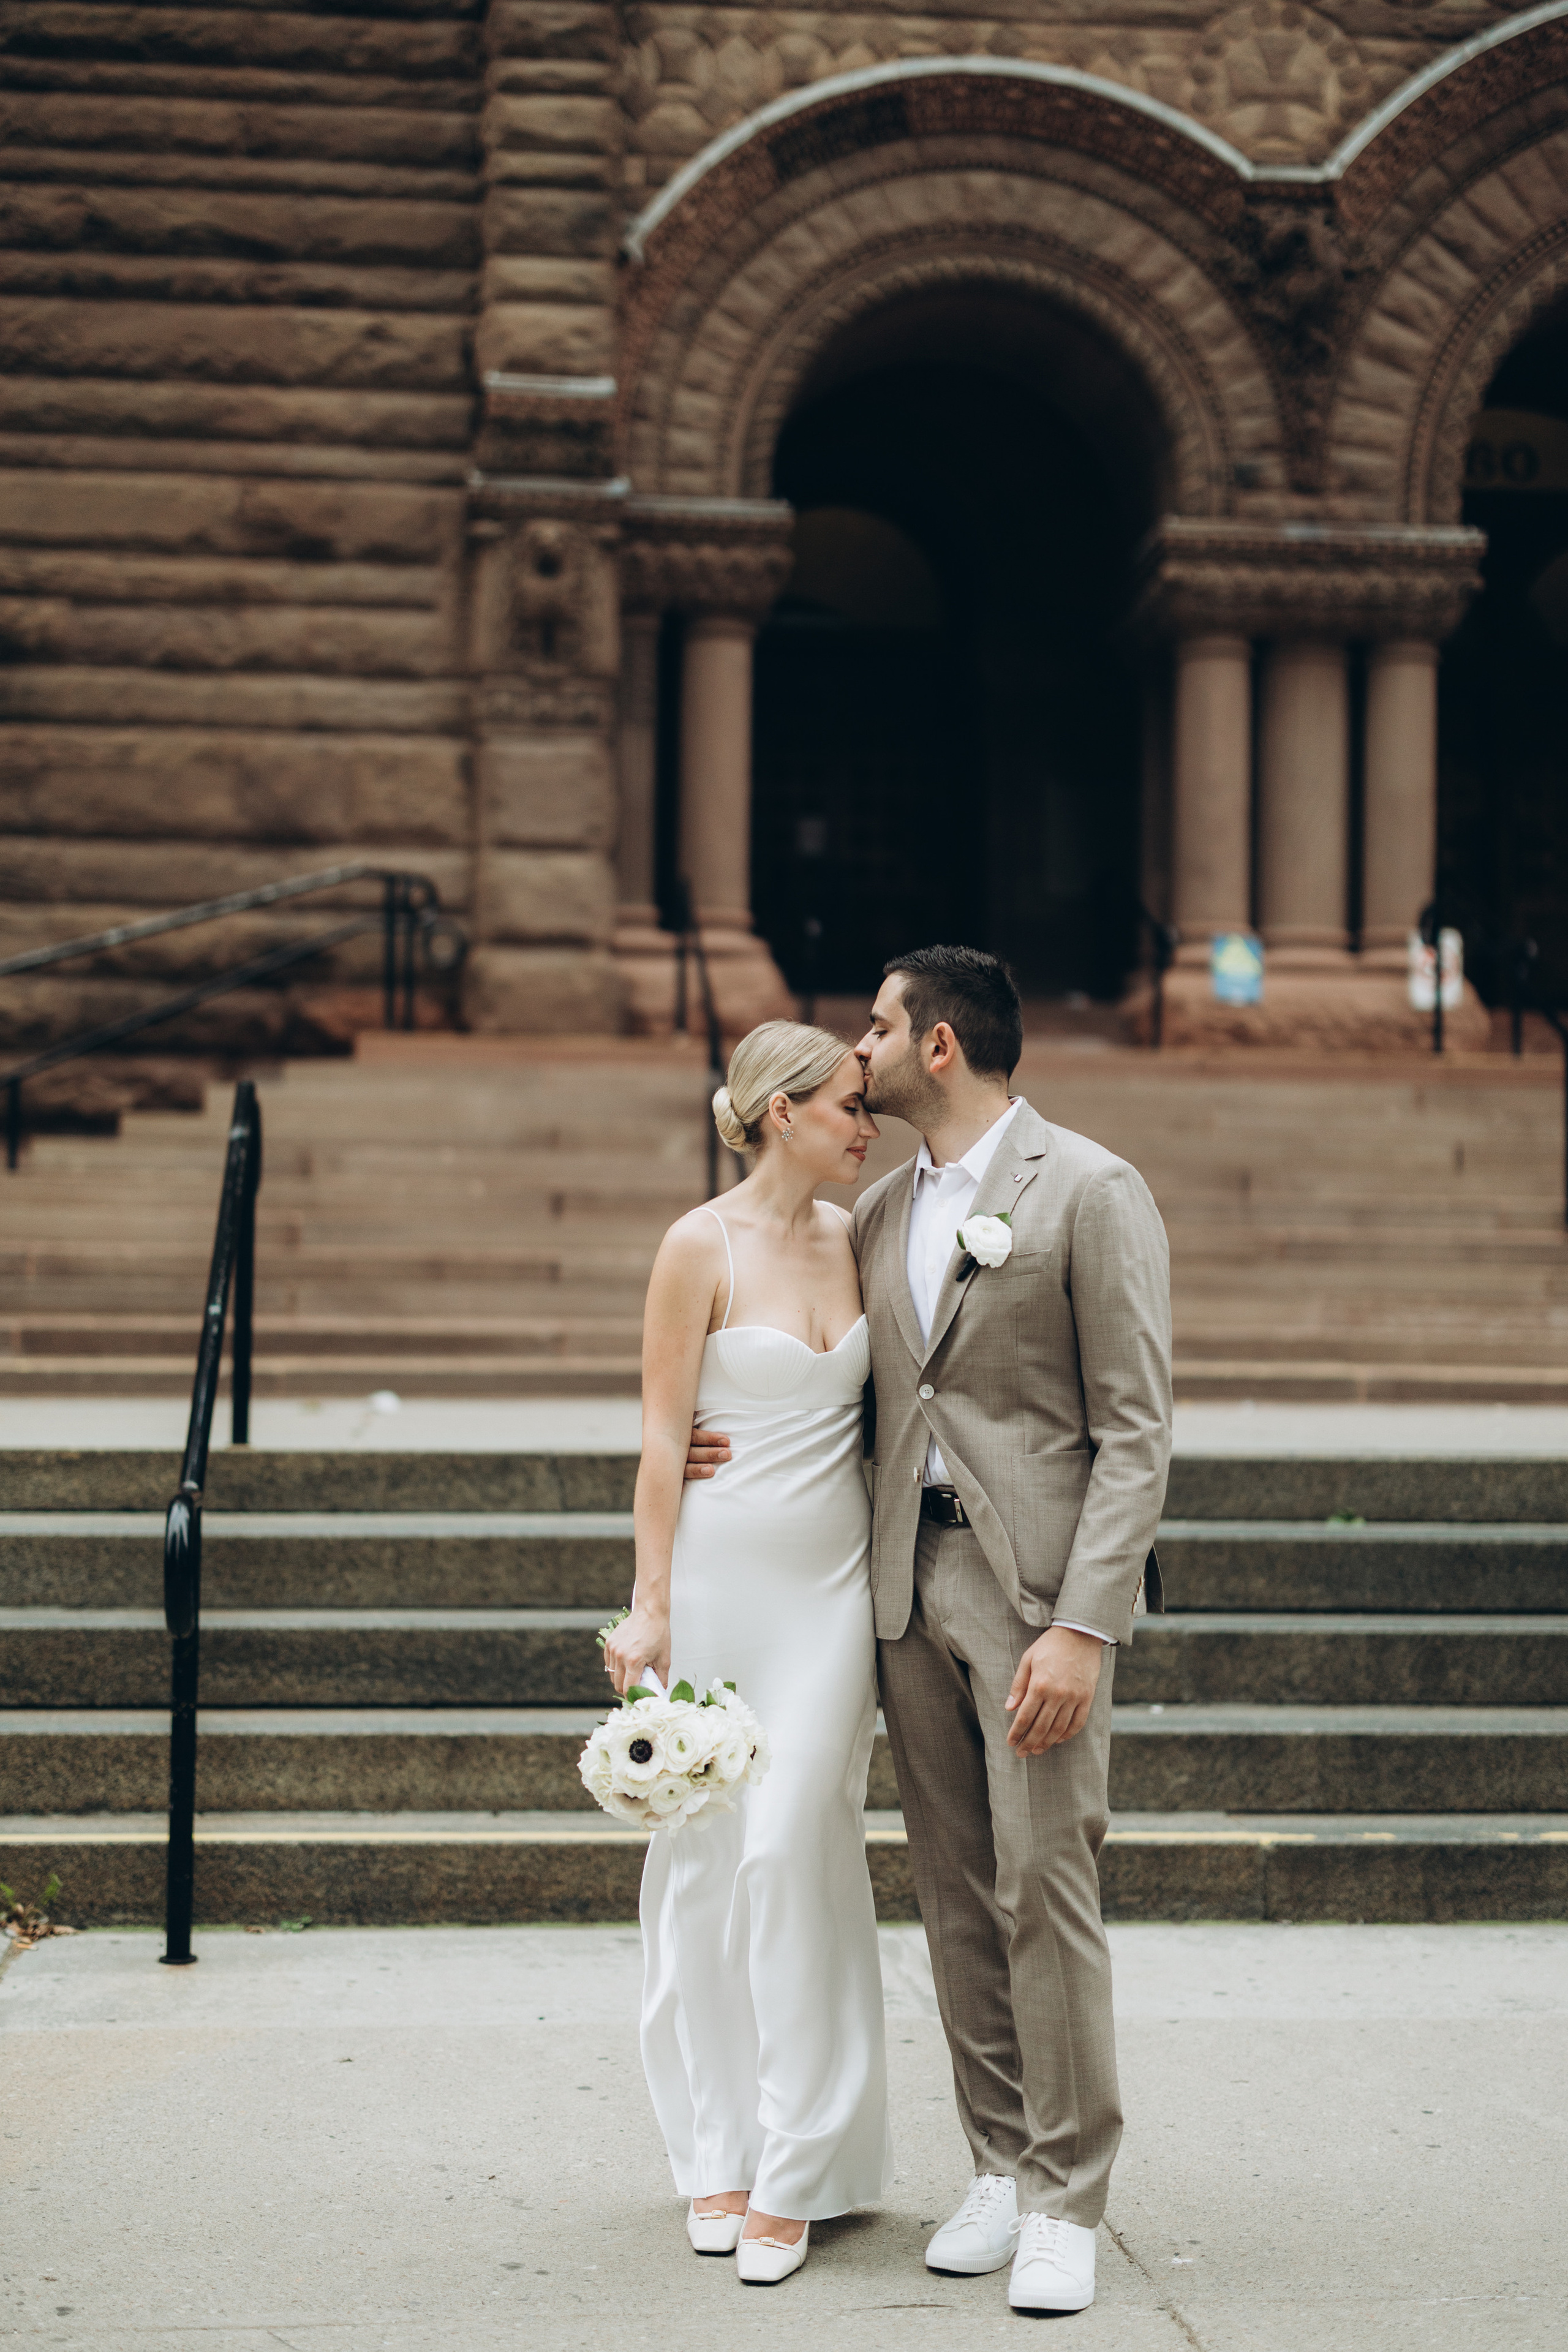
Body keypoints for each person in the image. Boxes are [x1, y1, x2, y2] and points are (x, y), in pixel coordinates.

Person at [687, 946, 1172, 2315]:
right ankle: (999, 2164)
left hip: (1034, 1604)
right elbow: (832, 1381)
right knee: (955, 1893)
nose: (861, 1049)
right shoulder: (878, 1209)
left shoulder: (1091, 1190)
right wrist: (713, 1444)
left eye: (879, 1026)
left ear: (939, 1045)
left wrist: (1085, 1626)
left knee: (1045, 1886)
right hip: (900, 1588)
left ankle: (1067, 2199)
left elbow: (1136, 1431)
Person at [604, 1020, 890, 2286]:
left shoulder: (860, 1237)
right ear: (782, 1111)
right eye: (848, 1105)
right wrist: (649, 1606)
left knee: (791, 1852)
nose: (866, 1126)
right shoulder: (696, 1246)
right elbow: (664, 1436)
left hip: (833, 1599)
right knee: (710, 1867)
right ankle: (716, 2149)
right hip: (720, 1591)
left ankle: (799, 2163)